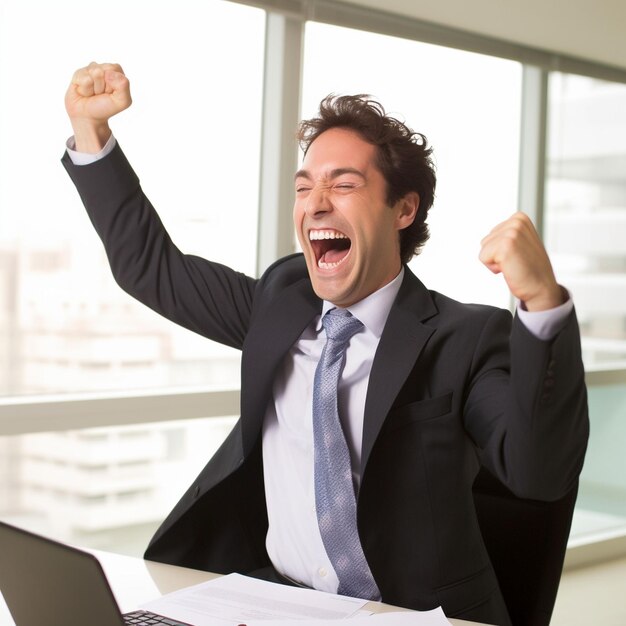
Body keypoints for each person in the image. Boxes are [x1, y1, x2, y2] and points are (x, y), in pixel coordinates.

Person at [62, 62, 588, 625]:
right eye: (305, 186)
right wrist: (90, 132)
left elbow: (539, 474)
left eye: (343, 184)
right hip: (278, 604)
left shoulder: (465, 337)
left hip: (412, 616)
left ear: (403, 210)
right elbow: (152, 268)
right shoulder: (278, 305)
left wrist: (541, 304)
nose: (315, 203)